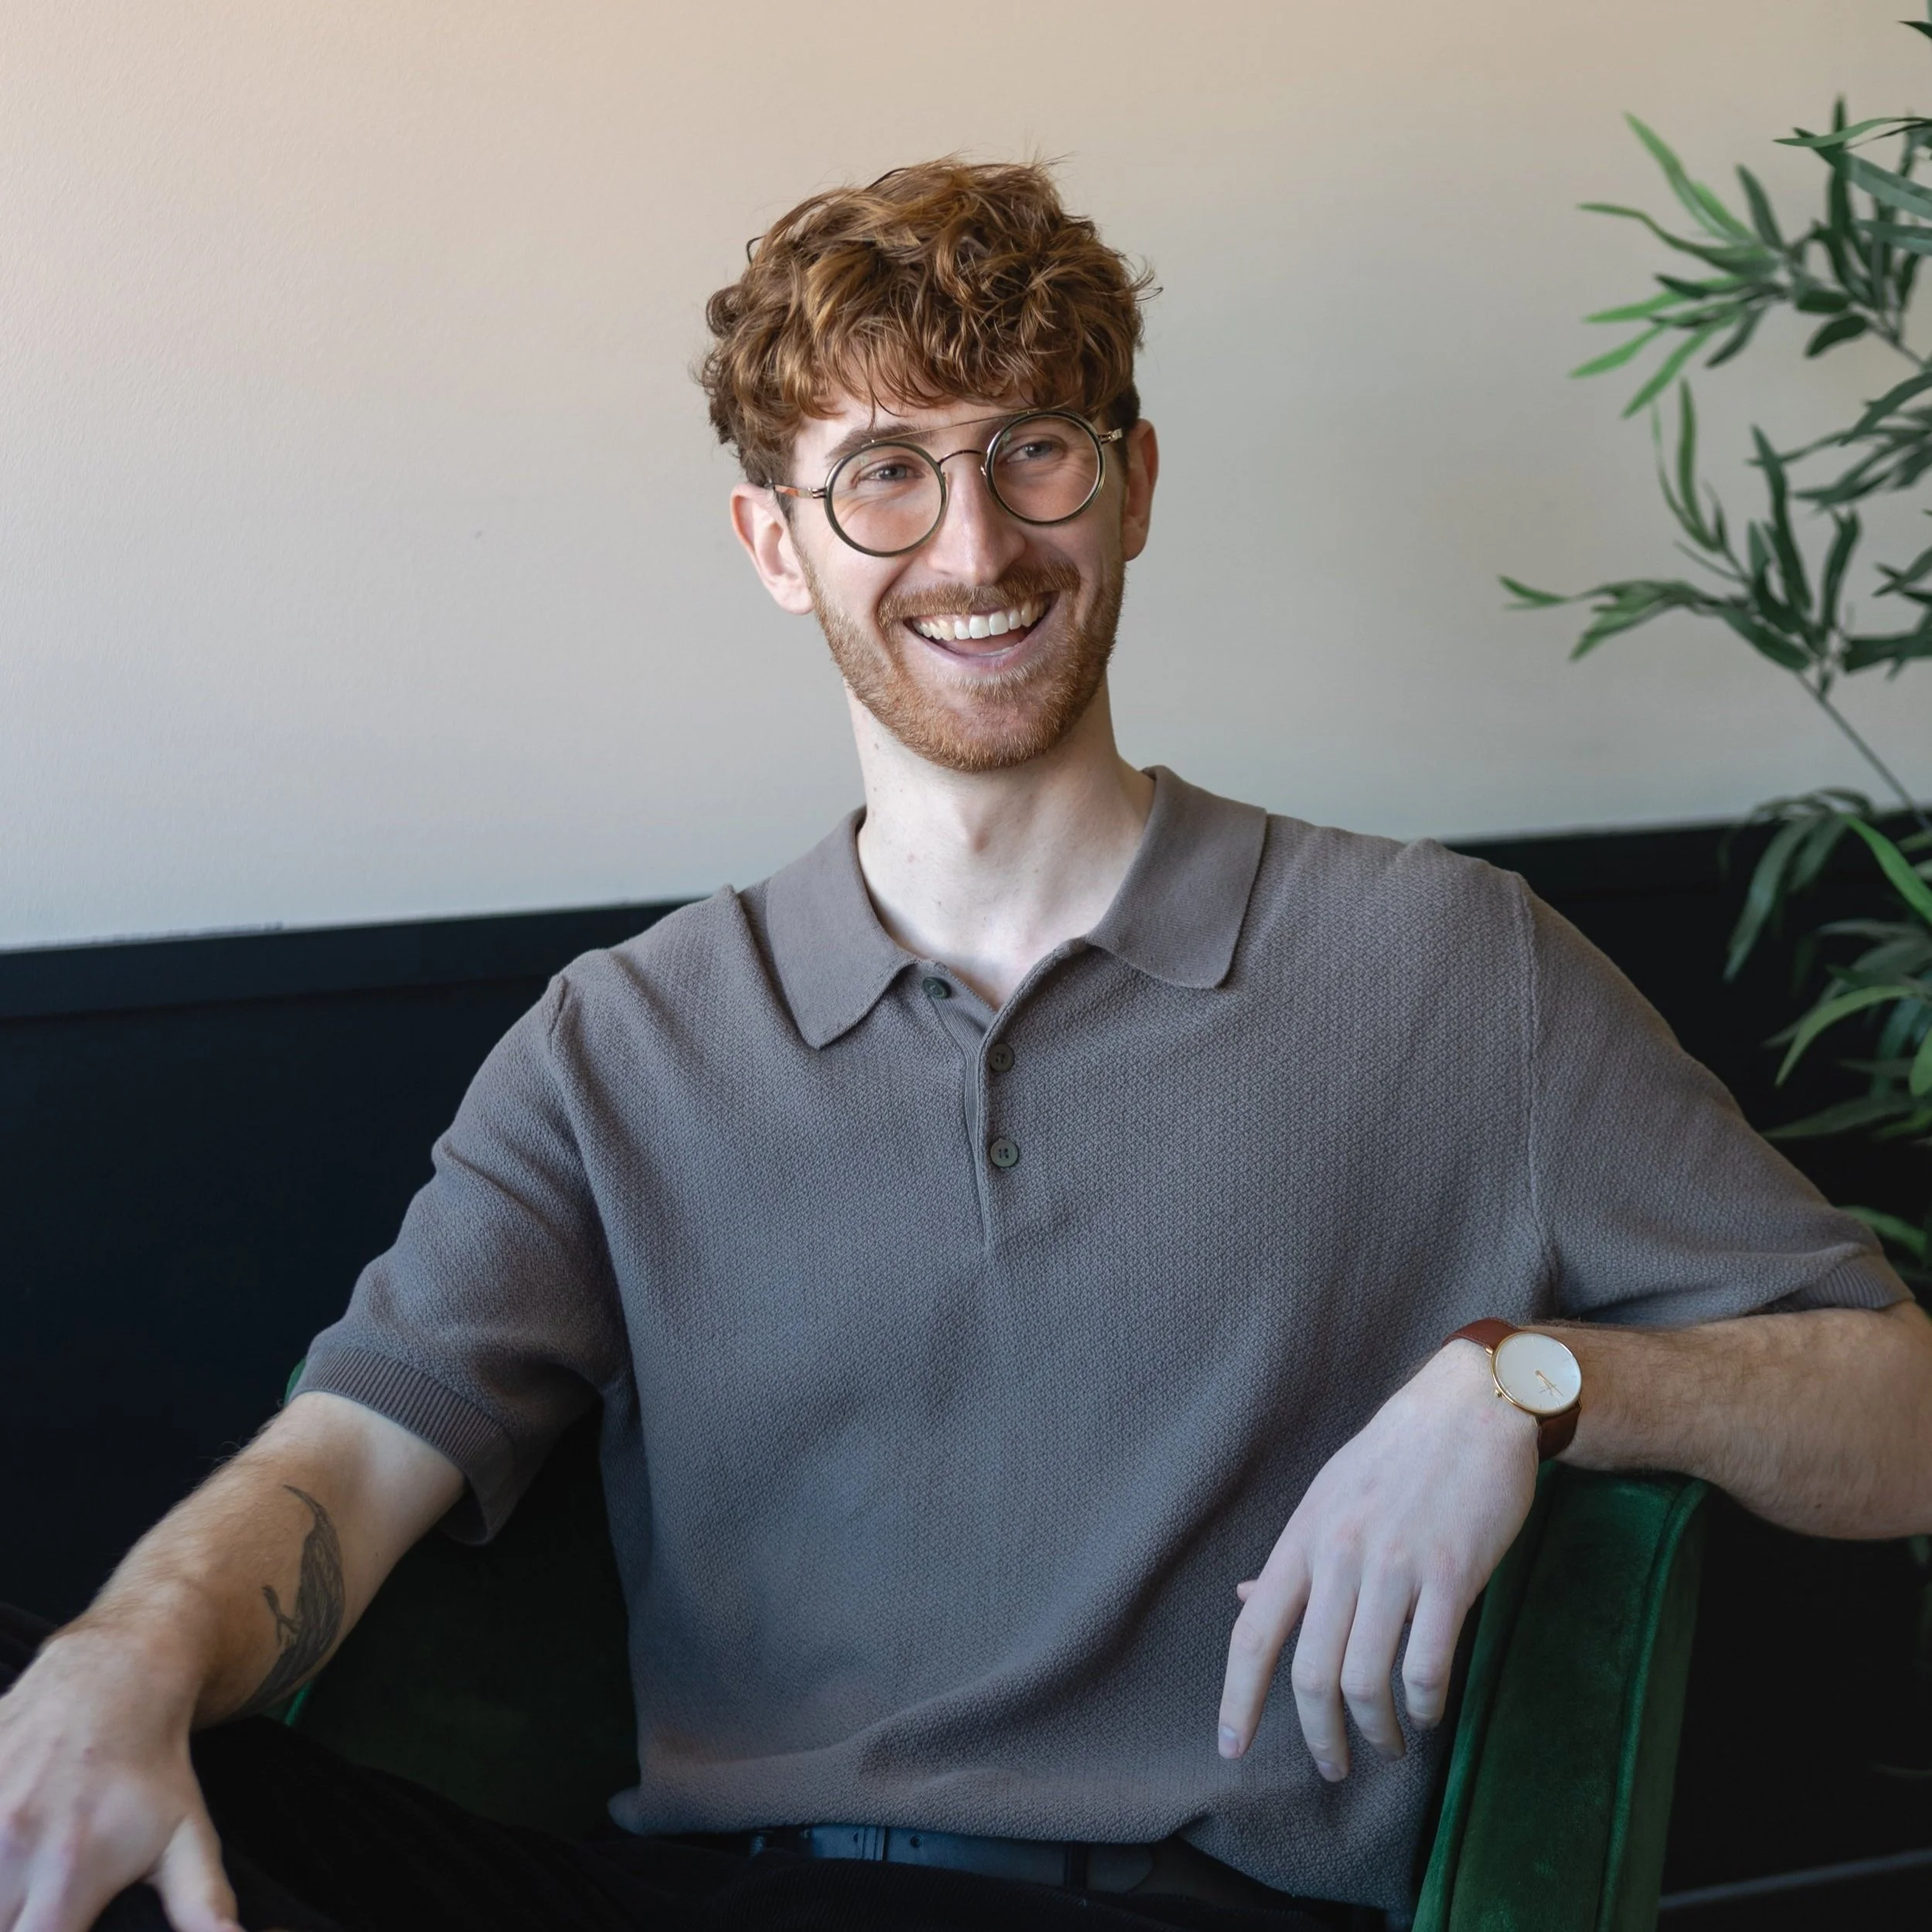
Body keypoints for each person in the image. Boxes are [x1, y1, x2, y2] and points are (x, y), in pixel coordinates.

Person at [2, 158, 1929, 1932]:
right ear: (775, 542)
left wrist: (1528, 1379)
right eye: (883, 473)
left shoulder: (1444, 964)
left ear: (1132, 483)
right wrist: (122, 1653)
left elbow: (1896, 1413)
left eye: (1031, 449)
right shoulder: (624, 1043)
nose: (974, 543)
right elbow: (347, 1458)